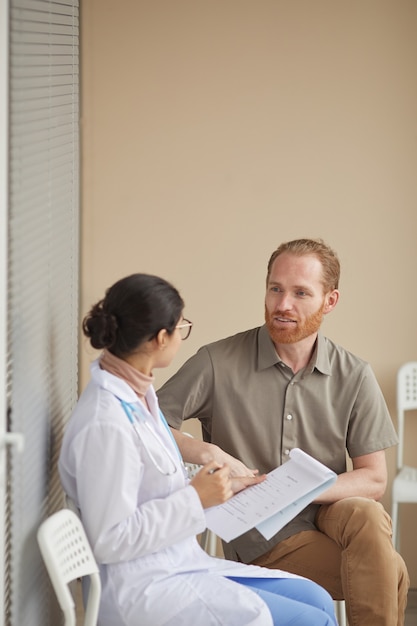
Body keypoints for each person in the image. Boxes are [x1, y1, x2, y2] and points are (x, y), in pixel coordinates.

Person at [58, 273, 337, 626]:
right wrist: (196, 497)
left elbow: (153, 487)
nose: (181, 336)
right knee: (313, 620)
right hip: (142, 589)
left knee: (318, 599)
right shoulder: (105, 422)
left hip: (173, 562)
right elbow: (111, 539)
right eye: (180, 328)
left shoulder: (138, 396)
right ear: (161, 339)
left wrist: (223, 487)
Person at [157, 238, 410, 626]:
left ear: (330, 301)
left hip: (330, 512)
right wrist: (205, 451)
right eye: (275, 288)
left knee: (367, 513)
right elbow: (147, 424)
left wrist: (300, 489)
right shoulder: (217, 361)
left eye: (300, 293)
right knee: (392, 573)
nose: (282, 305)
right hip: (261, 534)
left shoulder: (354, 374)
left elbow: (373, 479)